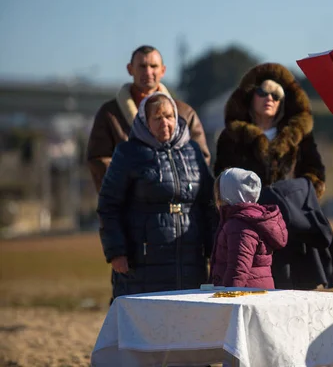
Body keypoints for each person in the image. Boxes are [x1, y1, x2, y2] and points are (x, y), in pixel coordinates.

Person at [213, 63, 333, 290]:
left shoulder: (298, 134)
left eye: (276, 95)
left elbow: (314, 173)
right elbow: (221, 180)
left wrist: (293, 198)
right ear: (250, 96)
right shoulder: (231, 136)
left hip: (291, 227)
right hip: (248, 230)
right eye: (263, 92)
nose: (269, 98)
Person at [97, 92, 215, 301]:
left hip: (190, 255)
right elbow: (109, 205)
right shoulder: (128, 153)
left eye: (169, 116)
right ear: (145, 121)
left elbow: (207, 203)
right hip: (145, 258)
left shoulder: (193, 151)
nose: (165, 123)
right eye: (158, 118)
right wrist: (116, 252)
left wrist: (214, 248)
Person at [87, 45, 210, 193]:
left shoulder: (184, 113)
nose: (148, 72)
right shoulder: (110, 114)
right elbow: (99, 161)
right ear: (130, 69)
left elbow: (200, 158)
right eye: (142, 66)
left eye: (154, 66)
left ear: (163, 70)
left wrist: (177, 186)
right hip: (128, 206)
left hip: (177, 205)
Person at [210, 167, 288, 289]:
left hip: (246, 296)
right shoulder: (247, 219)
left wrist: (227, 299)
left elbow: (237, 271)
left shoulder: (239, 225)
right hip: (255, 292)